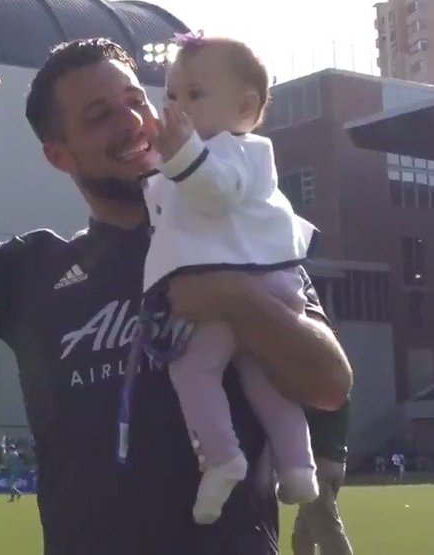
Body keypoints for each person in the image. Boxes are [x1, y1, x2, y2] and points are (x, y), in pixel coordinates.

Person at [0, 38, 352, 555]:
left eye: (136, 101)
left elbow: (330, 384)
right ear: (58, 154)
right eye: (100, 115)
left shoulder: (238, 239)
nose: (132, 121)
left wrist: (232, 295)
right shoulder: (33, 269)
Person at [133, 35, 318, 524]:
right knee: (263, 378)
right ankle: (298, 466)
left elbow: (213, 192)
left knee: (194, 370)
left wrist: (175, 155)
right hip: (268, 281)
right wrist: (158, 160)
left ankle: (221, 457)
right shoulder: (206, 152)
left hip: (238, 284)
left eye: (194, 95)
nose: (178, 109)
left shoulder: (238, 150)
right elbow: (168, 194)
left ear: (245, 108)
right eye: (171, 96)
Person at [291, 405, 354, 555]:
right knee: (303, 532)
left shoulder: (321, 389)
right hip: (328, 462)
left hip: (320, 464)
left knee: (329, 531)